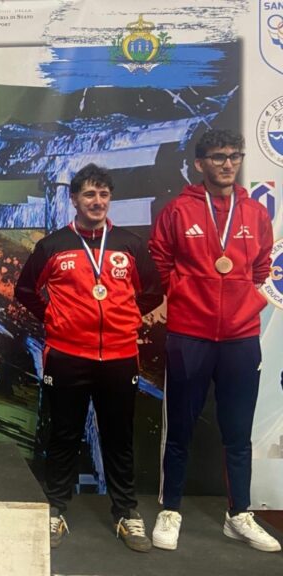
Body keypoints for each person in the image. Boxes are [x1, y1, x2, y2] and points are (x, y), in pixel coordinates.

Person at [15, 163, 162, 552]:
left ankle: (126, 512)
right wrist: (54, 317)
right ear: (74, 199)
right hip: (67, 355)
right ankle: (55, 508)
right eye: (89, 194)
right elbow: (25, 291)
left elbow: (152, 292)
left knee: (119, 437)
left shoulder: (130, 244)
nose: (97, 201)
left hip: (119, 356)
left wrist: (125, 318)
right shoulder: (53, 245)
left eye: (103, 194)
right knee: (63, 435)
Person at [149, 129, 280, 552]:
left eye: (234, 156)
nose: (228, 164)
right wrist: (185, 295)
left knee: (238, 431)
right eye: (219, 157)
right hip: (190, 333)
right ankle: (170, 509)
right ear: (200, 163)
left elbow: (261, 268)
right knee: (180, 429)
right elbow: (159, 261)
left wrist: (242, 300)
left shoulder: (254, 213)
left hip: (241, 336)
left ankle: (238, 514)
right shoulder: (178, 210)